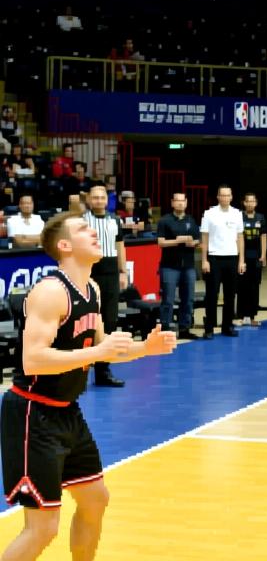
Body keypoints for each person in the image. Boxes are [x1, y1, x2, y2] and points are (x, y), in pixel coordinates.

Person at [0, 212, 176, 560]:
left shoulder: (91, 289)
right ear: (64, 245)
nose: (93, 232)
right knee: (43, 528)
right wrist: (100, 352)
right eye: (83, 229)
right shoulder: (51, 292)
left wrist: (145, 348)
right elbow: (33, 360)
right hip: (32, 415)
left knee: (95, 499)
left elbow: (100, 346)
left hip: (67, 412)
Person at [81, 186, 128, 389]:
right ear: (89, 200)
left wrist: (123, 271)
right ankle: (78, 373)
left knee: (109, 321)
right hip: (89, 272)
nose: (99, 201)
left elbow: (120, 246)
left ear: (107, 200)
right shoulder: (81, 221)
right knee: (86, 323)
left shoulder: (115, 220)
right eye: (95, 197)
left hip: (110, 273)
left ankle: (103, 371)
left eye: (102, 197)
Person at [200, 185, 245, 339]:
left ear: (231, 197)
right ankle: (209, 327)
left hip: (232, 258)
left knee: (230, 295)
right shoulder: (209, 213)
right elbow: (204, 238)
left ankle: (227, 325)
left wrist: (241, 260)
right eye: (222, 195)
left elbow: (240, 237)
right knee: (212, 294)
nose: (225, 198)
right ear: (218, 197)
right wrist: (204, 260)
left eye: (228, 195)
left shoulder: (237, 214)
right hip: (214, 258)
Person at [156, 192, 201, 339]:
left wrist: (192, 242)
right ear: (172, 202)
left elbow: (198, 240)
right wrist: (178, 241)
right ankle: (165, 329)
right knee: (168, 299)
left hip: (188, 266)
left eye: (183, 201)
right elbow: (161, 242)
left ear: (186, 203)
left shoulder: (191, 220)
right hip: (169, 266)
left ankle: (184, 328)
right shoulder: (165, 220)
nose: (180, 203)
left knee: (188, 299)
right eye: (177, 201)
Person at [238, 192, 267, 327]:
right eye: (248, 201)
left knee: (254, 287)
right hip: (243, 257)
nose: (250, 203)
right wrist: (240, 257)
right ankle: (241, 316)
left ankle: (251, 316)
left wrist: (263, 255)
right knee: (242, 287)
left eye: (252, 201)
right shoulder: (239, 217)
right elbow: (237, 237)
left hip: (256, 257)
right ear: (244, 203)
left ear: (256, 203)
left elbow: (263, 237)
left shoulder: (260, 218)